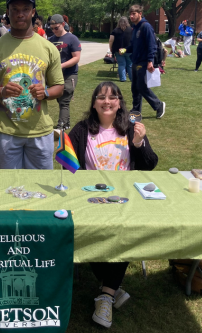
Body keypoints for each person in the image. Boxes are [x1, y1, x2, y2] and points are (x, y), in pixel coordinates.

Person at [69, 81, 158, 329]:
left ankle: (106, 295)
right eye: (101, 97)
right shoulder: (81, 130)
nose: (107, 102)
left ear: (119, 102)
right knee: (88, 233)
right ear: (94, 102)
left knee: (124, 232)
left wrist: (139, 143)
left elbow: (150, 164)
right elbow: (70, 168)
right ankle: (113, 290)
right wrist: (63, 151)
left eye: (112, 97)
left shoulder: (130, 129)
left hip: (124, 198)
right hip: (91, 197)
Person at [0, 0, 64, 170]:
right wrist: (2, 91)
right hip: (5, 132)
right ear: (7, 12)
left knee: (40, 190)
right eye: (15, 9)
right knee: (9, 190)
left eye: (25, 9)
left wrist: (45, 92)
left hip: (40, 131)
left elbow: (59, 87)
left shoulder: (48, 48)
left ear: (33, 12)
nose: (20, 14)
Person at [125, 4, 166, 118]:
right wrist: (125, 49)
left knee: (141, 86)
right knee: (135, 87)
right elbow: (133, 45)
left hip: (143, 62)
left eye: (134, 14)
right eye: (130, 14)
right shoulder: (135, 28)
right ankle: (136, 111)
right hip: (136, 61)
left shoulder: (146, 26)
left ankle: (158, 105)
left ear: (140, 14)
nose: (131, 16)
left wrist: (150, 61)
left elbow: (151, 45)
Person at [49, 14, 82, 130]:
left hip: (69, 74)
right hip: (57, 75)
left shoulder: (72, 38)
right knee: (60, 100)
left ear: (63, 24)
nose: (54, 31)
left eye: (56, 28)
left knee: (64, 100)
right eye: (51, 28)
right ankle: (67, 123)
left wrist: (61, 65)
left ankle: (61, 126)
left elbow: (76, 58)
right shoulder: (51, 40)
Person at [109, 17, 133, 82]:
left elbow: (111, 40)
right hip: (129, 50)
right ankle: (132, 78)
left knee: (121, 64)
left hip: (118, 50)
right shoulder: (131, 30)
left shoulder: (115, 30)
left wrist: (110, 47)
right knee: (130, 64)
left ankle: (123, 78)